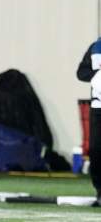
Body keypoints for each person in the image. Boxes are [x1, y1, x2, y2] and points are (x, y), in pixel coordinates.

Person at [76, 37, 101, 207]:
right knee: (96, 150)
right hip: (98, 108)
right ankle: (100, 191)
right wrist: (98, 74)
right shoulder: (95, 48)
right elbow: (81, 72)